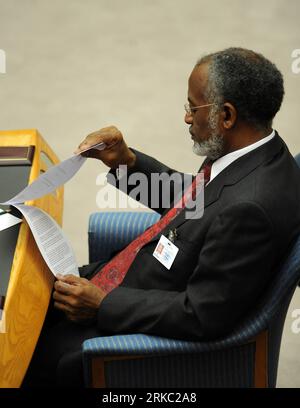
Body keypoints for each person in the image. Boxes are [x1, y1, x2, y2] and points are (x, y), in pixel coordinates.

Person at [23, 47, 300, 387]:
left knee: (20, 346)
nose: (186, 118)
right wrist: (126, 162)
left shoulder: (251, 210)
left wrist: (103, 305)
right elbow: (198, 200)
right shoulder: (252, 151)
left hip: (129, 324)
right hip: (129, 277)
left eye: (192, 107)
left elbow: (202, 315)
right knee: (28, 288)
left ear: (226, 116)